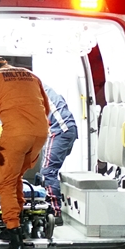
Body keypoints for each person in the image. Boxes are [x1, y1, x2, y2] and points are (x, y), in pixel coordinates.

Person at [0, 57, 50, 249]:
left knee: (4, 181)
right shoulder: (31, 75)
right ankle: (17, 223)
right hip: (39, 135)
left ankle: (15, 241)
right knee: (15, 176)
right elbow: (46, 108)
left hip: (15, 136)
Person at [40, 84, 78, 226]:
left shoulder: (33, 90)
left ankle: (55, 214)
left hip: (60, 131)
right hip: (67, 129)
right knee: (48, 170)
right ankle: (49, 205)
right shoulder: (43, 88)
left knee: (48, 172)